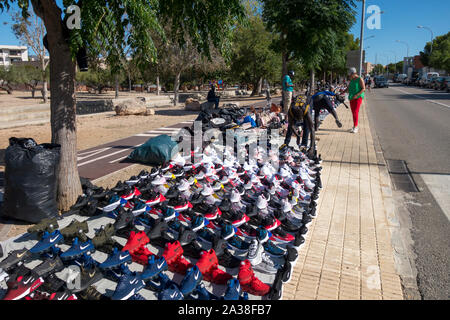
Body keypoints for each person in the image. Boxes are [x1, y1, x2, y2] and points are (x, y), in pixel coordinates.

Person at [347, 67, 365, 133]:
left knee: (355, 112)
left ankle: (356, 127)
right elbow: (348, 88)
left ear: (354, 73)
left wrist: (357, 95)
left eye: (350, 75)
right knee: (353, 112)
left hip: (358, 98)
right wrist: (342, 92)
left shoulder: (360, 79)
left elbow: (363, 88)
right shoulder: (352, 80)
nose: (350, 76)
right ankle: (354, 126)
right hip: (351, 97)